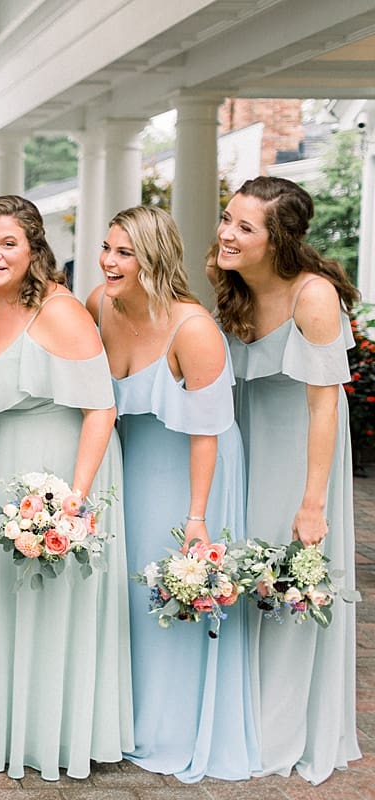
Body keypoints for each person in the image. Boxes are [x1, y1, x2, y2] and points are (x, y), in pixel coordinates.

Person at [0, 195, 131, 780]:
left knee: (52, 601)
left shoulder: (57, 310)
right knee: (9, 597)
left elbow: (101, 409)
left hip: (58, 468)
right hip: (0, 467)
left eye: (9, 242)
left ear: (34, 248)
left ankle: (53, 735)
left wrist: (73, 501)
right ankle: (6, 726)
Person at [86, 205, 258, 782]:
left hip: (190, 469)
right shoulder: (97, 305)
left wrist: (197, 518)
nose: (109, 262)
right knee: (125, 587)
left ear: (153, 259)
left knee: (167, 585)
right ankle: (126, 718)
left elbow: (208, 434)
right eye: (107, 248)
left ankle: (174, 729)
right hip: (130, 463)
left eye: (124, 252)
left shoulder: (194, 330)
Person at [213, 176, 360, 784]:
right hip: (250, 445)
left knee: (288, 586)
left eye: (245, 227)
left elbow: (325, 406)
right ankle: (238, 720)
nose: (226, 232)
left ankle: (278, 735)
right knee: (247, 577)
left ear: (278, 241)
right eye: (227, 218)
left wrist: (312, 503)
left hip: (303, 453)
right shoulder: (237, 288)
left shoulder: (313, 295)